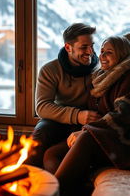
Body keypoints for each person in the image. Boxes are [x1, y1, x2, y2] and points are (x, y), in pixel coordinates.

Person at [43, 33, 130, 196]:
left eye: (108, 52)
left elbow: (124, 117)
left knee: (85, 138)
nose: (101, 56)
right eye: (101, 51)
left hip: (126, 141)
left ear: (123, 55)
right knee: (51, 154)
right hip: (101, 136)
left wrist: (85, 130)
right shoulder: (103, 78)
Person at [24, 23, 101, 167]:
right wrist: (77, 115)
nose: (90, 52)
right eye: (84, 47)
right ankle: (25, 179)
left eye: (92, 46)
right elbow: (42, 107)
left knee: (54, 158)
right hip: (59, 120)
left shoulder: (100, 69)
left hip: (88, 123)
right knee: (40, 134)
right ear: (68, 48)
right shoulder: (50, 70)